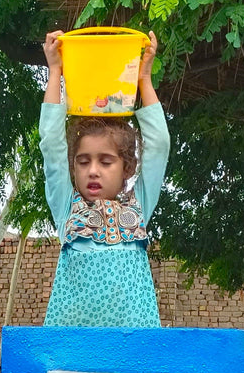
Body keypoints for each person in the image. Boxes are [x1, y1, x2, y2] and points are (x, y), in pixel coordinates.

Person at [40, 29, 170, 327]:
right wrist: (55, 70)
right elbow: (50, 142)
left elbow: (159, 145)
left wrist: (143, 79)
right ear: (73, 168)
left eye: (106, 161)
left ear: (127, 169)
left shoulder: (138, 208)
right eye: (83, 161)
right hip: (74, 350)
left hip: (132, 352)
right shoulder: (67, 207)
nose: (93, 170)